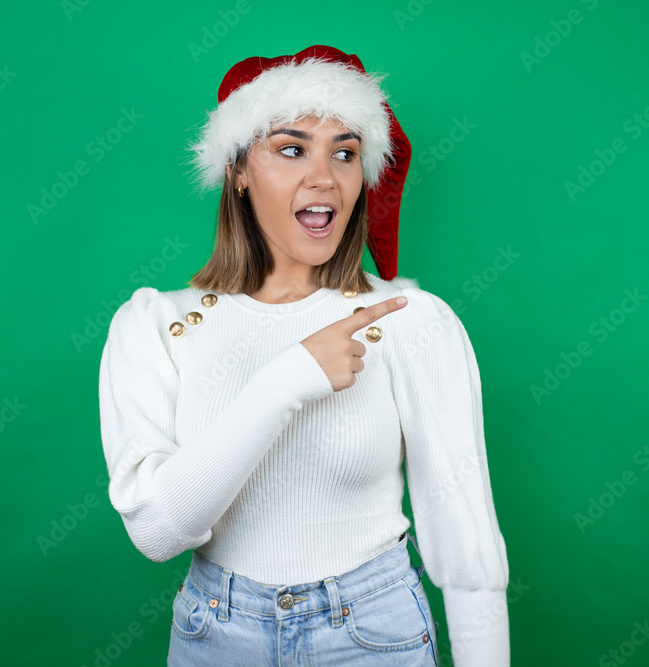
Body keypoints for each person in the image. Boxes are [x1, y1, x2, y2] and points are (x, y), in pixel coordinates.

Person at [98, 45, 510, 666]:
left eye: (344, 153)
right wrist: (286, 381)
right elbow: (158, 532)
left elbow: (464, 544)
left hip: (374, 635)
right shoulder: (159, 325)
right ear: (238, 170)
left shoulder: (407, 320)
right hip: (217, 636)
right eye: (291, 150)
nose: (324, 178)